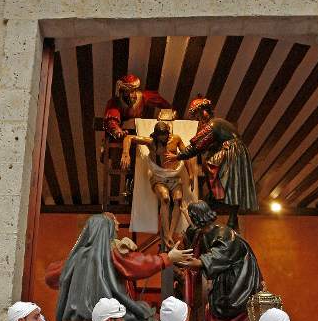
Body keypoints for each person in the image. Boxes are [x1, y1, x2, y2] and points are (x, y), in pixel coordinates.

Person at [50, 212, 192, 321]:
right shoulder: (111, 252)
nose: (116, 230)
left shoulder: (75, 258)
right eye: (114, 227)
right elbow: (139, 264)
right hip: (107, 315)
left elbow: (51, 276)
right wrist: (167, 258)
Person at [181, 200, 262, 321]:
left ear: (198, 218)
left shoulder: (225, 234)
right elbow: (197, 235)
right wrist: (185, 213)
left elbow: (216, 257)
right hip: (224, 284)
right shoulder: (206, 232)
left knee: (219, 313)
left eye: (192, 216)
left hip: (238, 286)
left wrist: (189, 262)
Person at [168, 97, 257, 229]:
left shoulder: (213, 124)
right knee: (231, 182)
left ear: (204, 112)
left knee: (221, 174)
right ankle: (227, 214)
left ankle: (218, 204)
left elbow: (197, 146)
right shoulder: (219, 123)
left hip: (231, 152)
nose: (198, 120)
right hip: (237, 151)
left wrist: (178, 156)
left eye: (198, 116)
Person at [121, 121, 195, 246]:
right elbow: (129, 137)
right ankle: (166, 235)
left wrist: (191, 174)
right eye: (160, 136)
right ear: (156, 135)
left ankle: (170, 235)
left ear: (168, 133)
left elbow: (186, 154)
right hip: (159, 177)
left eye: (165, 135)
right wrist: (125, 153)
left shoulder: (175, 139)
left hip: (174, 176)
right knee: (165, 198)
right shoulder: (150, 142)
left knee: (178, 198)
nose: (163, 139)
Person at [103, 73, 170, 141]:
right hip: (123, 132)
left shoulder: (142, 97)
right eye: (126, 92)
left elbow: (160, 101)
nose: (129, 95)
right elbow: (111, 120)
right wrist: (117, 131)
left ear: (136, 90)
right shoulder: (115, 102)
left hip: (140, 130)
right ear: (121, 92)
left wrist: (169, 112)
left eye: (132, 91)